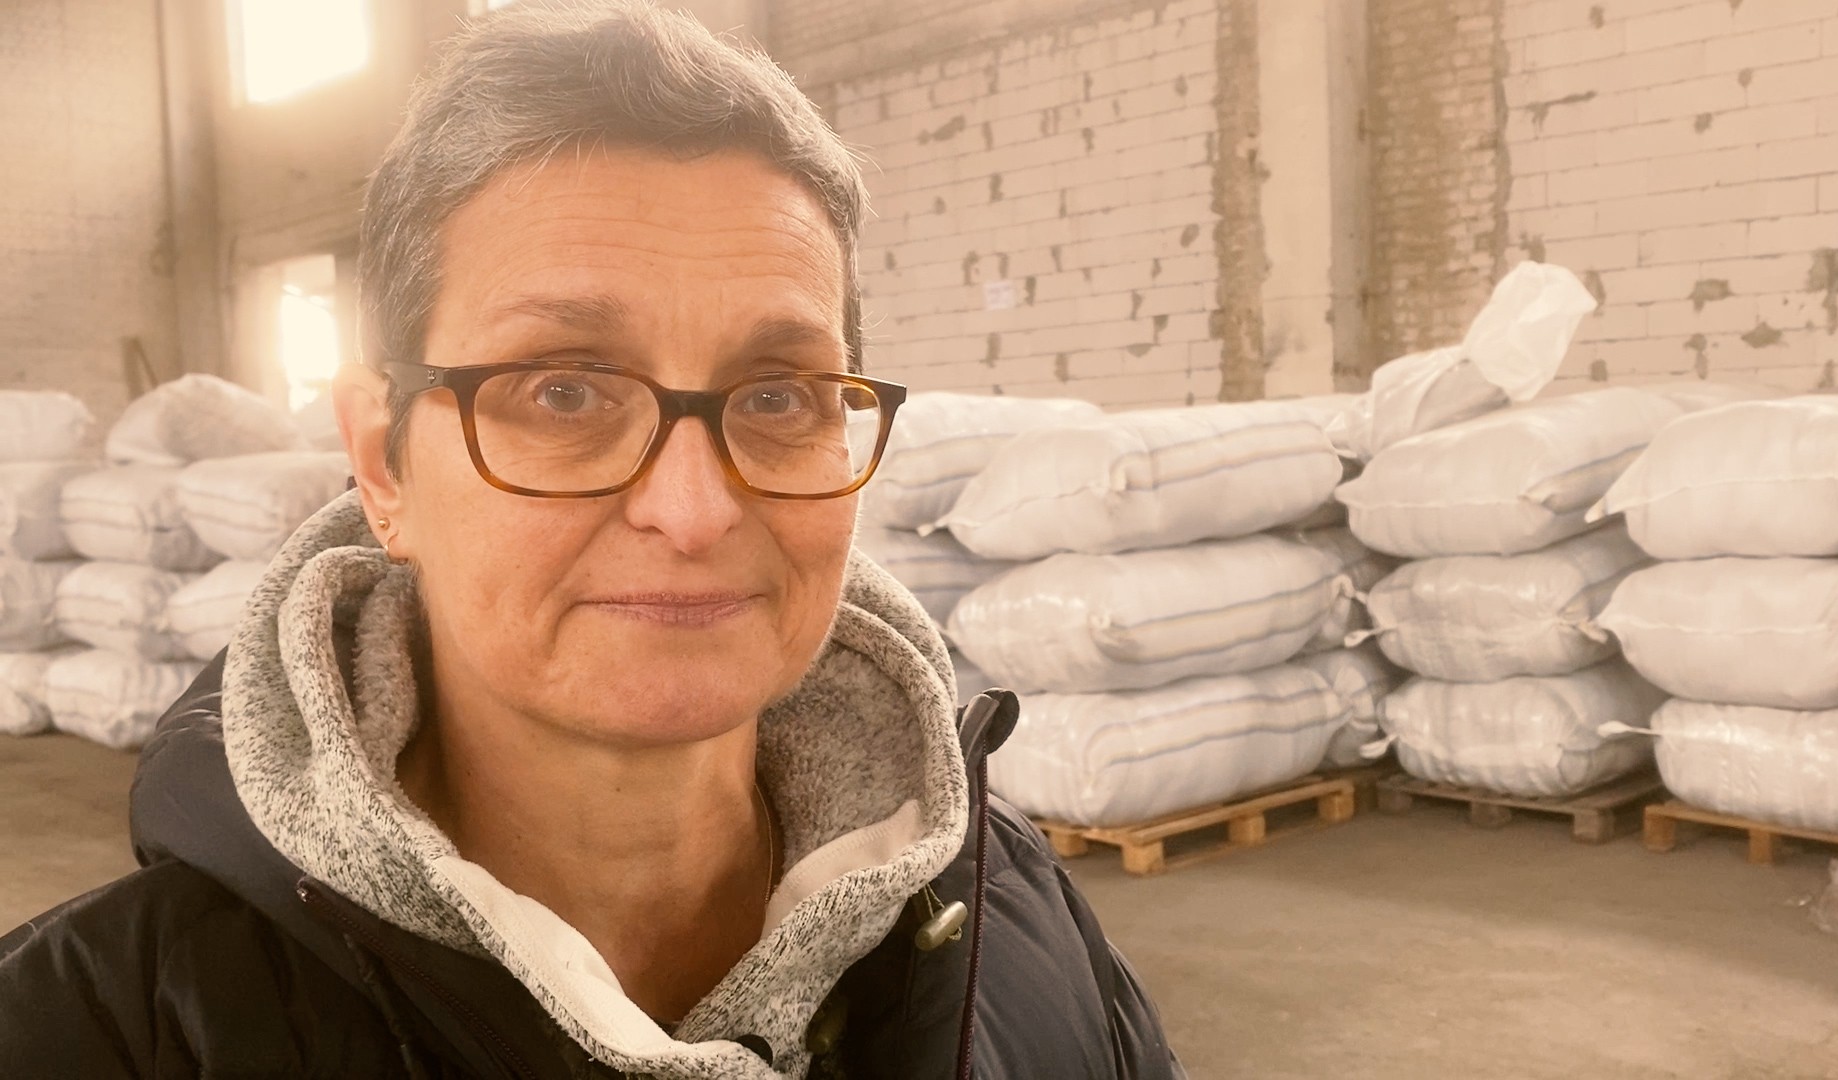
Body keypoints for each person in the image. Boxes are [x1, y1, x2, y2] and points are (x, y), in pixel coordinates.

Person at [0, 3, 1183, 1078]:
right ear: (382, 463)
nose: (694, 507)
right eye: (563, 392)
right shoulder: (87, 1030)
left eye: (778, 396)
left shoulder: (1014, 916)